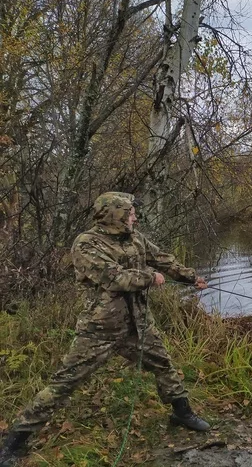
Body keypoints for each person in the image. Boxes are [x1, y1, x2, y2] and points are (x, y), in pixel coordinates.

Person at [0, 192, 210, 465]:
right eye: (130, 212)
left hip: (138, 323)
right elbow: (114, 277)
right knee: (65, 382)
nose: (134, 216)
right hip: (100, 328)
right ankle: (14, 442)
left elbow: (162, 259)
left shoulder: (135, 238)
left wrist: (192, 277)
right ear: (115, 214)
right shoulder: (86, 244)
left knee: (163, 364)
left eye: (133, 211)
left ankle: (181, 412)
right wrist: (150, 277)